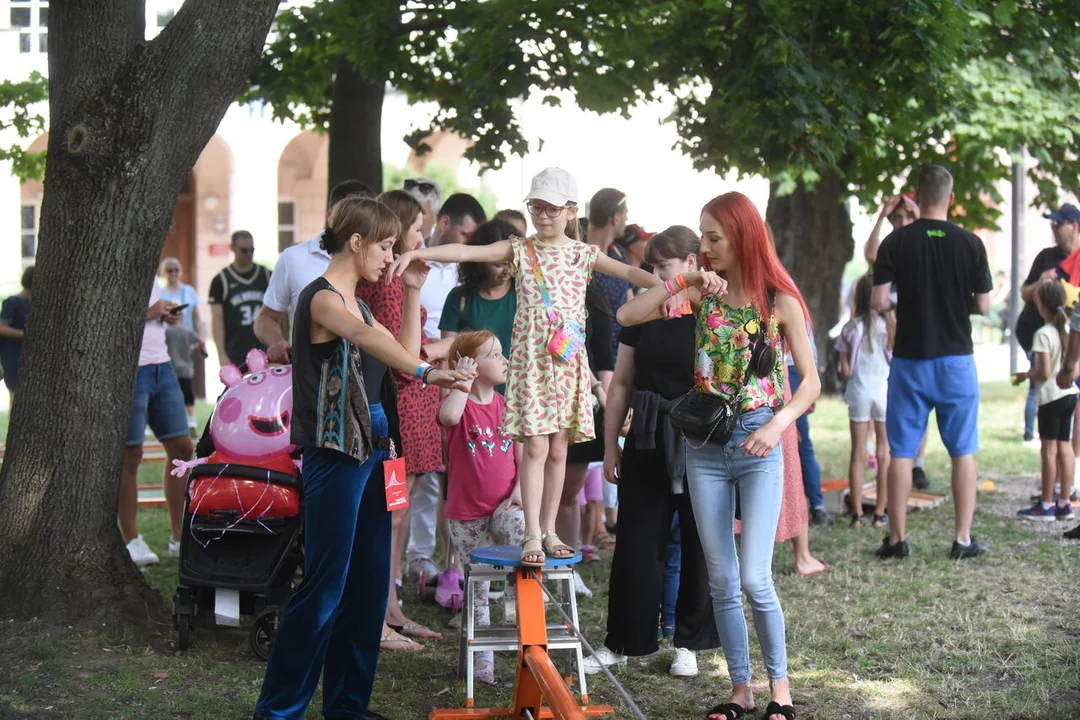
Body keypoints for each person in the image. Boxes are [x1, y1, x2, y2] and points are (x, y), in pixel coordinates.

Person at [252, 196, 474, 720]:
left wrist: (415, 291)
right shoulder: (323, 300)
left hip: (379, 445)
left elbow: (402, 356)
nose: (390, 256)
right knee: (325, 586)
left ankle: (348, 708)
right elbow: (386, 351)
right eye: (385, 245)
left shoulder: (365, 303)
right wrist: (428, 373)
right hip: (336, 450)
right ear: (356, 242)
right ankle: (278, 711)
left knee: (371, 583)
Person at [390, 167, 658, 566]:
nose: (543, 215)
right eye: (536, 206)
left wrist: (675, 285)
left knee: (558, 450)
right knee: (533, 447)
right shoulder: (520, 249)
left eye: (551, 208)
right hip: (531, 365)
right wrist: (418, 251)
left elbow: (632, 272)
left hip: (566, 365)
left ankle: (549, 530)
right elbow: (467, 253)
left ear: (570, 211)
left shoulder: (583, 254)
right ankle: (532, 531)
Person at [616, 191, 816, 720]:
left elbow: (811, 384)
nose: (704, 249)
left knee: (754, 578)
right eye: (701, 239)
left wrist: (777, 425)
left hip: (758, 441)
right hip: (702, 445)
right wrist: (682, 280)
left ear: (743, 237)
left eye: (713, 238)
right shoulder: (703, 294)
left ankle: (780, 691)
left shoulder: (779, 301)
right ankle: (740, 690)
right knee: (723, 579)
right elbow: (628, 313)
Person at [587, 225, 720, 679]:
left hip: (698, 436)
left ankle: (690, 644)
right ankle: (624, 640)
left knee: (701, 543)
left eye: (665, 266)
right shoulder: (643, 314)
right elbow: (621, 382)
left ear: (690, 264)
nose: (656, 274)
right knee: (637, 540)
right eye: (652, 266)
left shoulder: (711, 311)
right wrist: (611, 446)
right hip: (645, 432)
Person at [872, 164, 993, 560]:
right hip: (957, 360)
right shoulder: (971, 243)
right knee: (963, 452)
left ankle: (897, 540)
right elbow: (985, 304)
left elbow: (878, 301)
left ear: (916, 197)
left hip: (909, 360)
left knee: (902, 451)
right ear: (951, 199)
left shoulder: (896, 242)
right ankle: (961, 540)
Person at [355, 190, 446, 646]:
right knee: (390, 514)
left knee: (399, 512)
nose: (421, 236)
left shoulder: (389, 279)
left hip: (402, 413)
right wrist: (411, 289)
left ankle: (390, 608)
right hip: (396, 416)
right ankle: (378, 613)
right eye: (416, 229)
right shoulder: (389, 284)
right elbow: (405, 359)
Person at [408, 193, 489, 582]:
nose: (468, 244)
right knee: (423, 471)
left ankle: (449, 565)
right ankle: (419, 556)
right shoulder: (413, 264)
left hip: (457, 373)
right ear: (443, 223)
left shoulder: (465, 273)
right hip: (414, 371)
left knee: (448, 469)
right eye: (463, 233)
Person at [438, 330, 525, 685]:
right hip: (466, 513)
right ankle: (482, 662)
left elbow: (521, 456)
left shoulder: (506, 405)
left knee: (523, 530)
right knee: (476, 588)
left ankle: (518, 605)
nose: (504, 361)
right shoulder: (460, 403)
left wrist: (519, 491)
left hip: (504, 504)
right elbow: (448, 418)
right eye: (495, 355)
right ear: (470, 366)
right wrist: (463, 380)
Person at [255, 179, 373, 364]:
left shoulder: (379, 263)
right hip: (312, 376)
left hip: (368, 372)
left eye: (363, 219)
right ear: (330, 215)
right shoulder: (294, 258)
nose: (355, 226)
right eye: (349, 217)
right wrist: (278, 343)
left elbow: (379, 333)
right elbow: (266, 318)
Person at [120, 283, 195, 566]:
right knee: (131, 452)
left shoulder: (149, 267)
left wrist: (165, 314)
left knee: (182, 447)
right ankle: (131, 539)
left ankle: (178, 537)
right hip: (131, 366)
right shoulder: (116, 262)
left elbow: (150, 308)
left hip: (161, 365)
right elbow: (109, 315)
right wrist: (152, 312)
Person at [864, 192, 932, 490]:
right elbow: (869, 253)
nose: (900, 222)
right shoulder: (891, 246)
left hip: (919, 332)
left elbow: (936, 242)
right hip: (891, 331)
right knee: (899, 400)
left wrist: (921, 220)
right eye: (897, 218)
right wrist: (881, 215)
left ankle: (917, 463)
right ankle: (901, 459)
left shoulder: (926, 240)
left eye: (906, 217)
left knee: (922, 401)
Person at [557, 280, 614, 596]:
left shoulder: (593, 299)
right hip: (540, 400)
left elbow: (602, 357)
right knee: (531, 491)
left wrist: (606, 401)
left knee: (569, 492)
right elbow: (562, 350)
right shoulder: (534, 291)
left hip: (581, 404)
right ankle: (529, 569)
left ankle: (566, 565)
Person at [1013, 280, 1076, 522]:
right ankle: (1065, 503)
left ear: (1040, 304)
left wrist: (1025, 375)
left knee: (1048, 450)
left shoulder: (1042, 335)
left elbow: (1044, 372)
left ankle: (1046, 504)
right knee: (1065, 447)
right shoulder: (1070, 330)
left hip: (1050, 398)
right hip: (1070, 394)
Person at [1018, 203, 1080, 445]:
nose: (1053, 228)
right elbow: (1024, 292)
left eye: (1058, 224)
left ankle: (1071, 470)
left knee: (1071, 402)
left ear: (1074, 226)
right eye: (1052, 224)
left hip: (1072, 340)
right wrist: (1040, 282)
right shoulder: (1046, 257)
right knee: (1043, 390)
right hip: (1042, 338)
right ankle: (1034, 436)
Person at [836, 273, 892, 528]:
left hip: (859, 391)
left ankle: (857, 514)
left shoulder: (850, 328)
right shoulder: (889, 326)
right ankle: (880, 513)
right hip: (884, 391)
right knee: (885, 453)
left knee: (858, 453)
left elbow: (845, 369)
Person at [438, 218, 519, 358]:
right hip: (471, 379)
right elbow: (447, 354)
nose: (508, 271)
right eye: (499, 265)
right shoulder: (460, 298)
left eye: (513, 264)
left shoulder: (525, 294)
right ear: (480, 262)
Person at [208, 230, 271, 369]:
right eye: (244, 250)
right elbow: (217, 320)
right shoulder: (221, 281)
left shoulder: (267, 276)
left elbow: (280, 312)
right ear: (233, 248)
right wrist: (221, 355)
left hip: (265, 351)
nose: (249, 254)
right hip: (236, 354)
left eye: (251, 250)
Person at [159, 257, 205, 435]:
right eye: (169, 270)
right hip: (165, 340)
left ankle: (190, 419)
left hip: (185, 338)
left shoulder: (188, 292)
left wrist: (200, 338)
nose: (173, 274)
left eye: (176, 270)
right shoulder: (160, 294)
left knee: (186, 380)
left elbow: (197, 317)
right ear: (164, 273)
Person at [586, 188, 632, 357]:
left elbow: (629, 299)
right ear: (616, 217)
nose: (627, 218)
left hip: (619, 352)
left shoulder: (619, 254)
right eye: (625, 213)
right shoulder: (577, 254)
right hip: (587, 353)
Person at [0, 266, 33, 406]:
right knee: (16, 399)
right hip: (13, 356)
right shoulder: (13, 302)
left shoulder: (33, 304)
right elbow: (2, 328)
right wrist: (24, 335)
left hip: (26, 356)